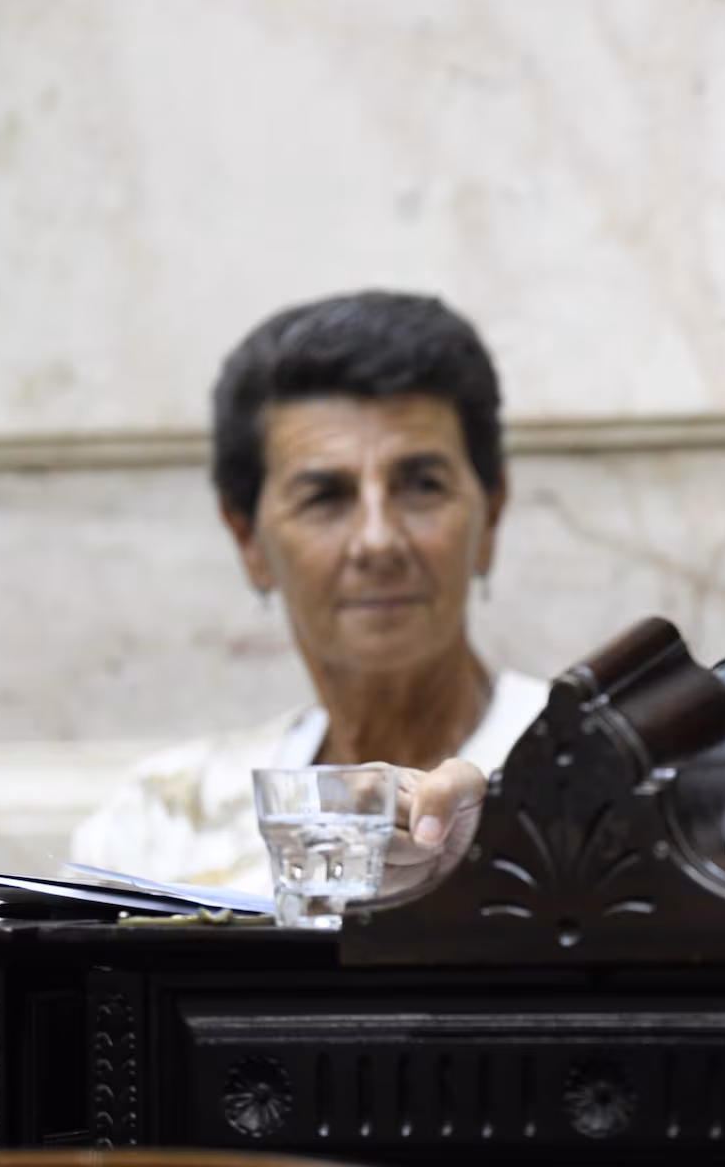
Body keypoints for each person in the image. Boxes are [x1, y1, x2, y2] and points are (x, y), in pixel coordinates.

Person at [71, 291, 548, 895]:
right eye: (325, 497)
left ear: (492, 514)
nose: (378, 541)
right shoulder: (158, 831)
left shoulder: (598, 781)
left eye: (422, 485)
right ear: (248, 539)